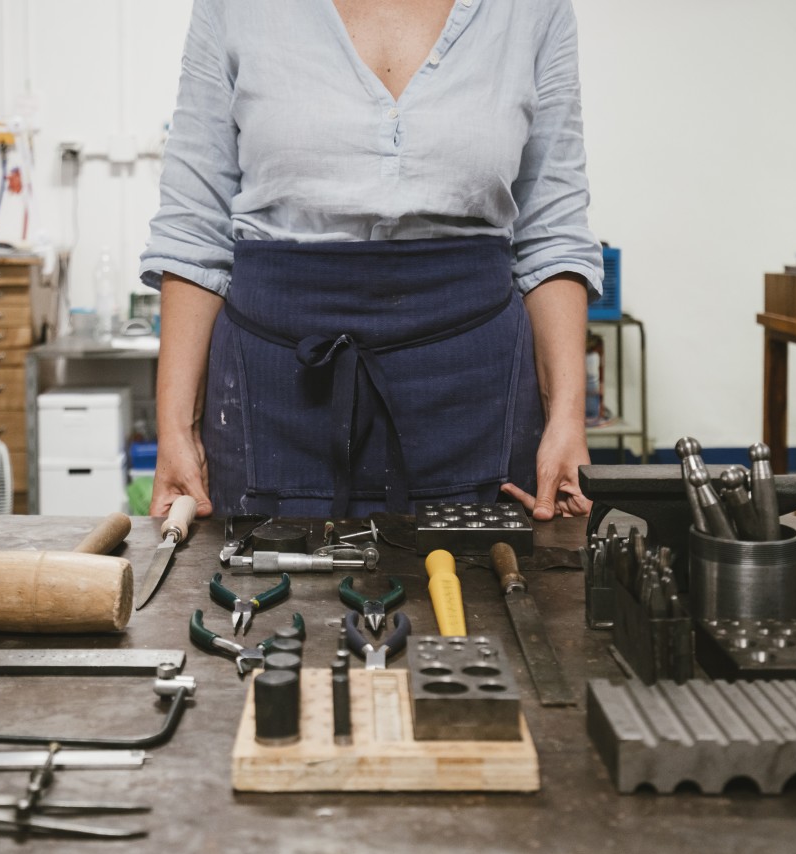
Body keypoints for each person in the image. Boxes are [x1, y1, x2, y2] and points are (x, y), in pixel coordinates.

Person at [140, 0, 603, 522]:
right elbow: (193, 227)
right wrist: (175, 428)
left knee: (483, 597)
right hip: (274, 383)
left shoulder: (531, 10)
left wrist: (567, 417)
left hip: (474, 387)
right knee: (266, 594)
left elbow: (553, 231)